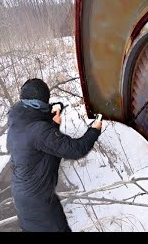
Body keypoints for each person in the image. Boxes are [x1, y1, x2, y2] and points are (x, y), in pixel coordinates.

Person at [6, 78, 102, 232]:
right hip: (40, 203)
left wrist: (54, 123)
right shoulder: (39, 131)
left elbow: (41, 141)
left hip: (23, 197)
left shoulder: (17, 121)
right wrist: (94, 130)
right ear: (41, 103)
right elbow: (76, 149)